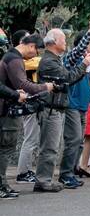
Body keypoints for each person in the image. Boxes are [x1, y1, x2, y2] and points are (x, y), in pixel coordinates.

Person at [35, 22, 90, 192]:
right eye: (63, 39)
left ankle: (49, 178)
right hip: (52, 108)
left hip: (58, 108)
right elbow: (67, 78)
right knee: (50, 147)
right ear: (53, 42)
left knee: (56, 145)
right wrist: (83, 64)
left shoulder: (56, 60)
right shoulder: (49, 62)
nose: (65, 42)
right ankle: (44, 180)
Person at [0, 33, 53, 199]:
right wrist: (44, 87)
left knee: (5, 148)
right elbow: (22, 83)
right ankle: (1, 185)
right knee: (5, 148)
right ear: (31, 46)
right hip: (6, 111)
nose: (36, 55)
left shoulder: (9, 57)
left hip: (6, 108)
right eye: (36, 50)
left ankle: (3, 185)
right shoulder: (14, 59)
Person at [59, 31, 90, 189]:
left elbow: (88, 83)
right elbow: (78, 50)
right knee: (74, 139)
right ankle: (65, 174)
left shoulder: (87, 62)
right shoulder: (73, 58)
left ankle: (72, 169)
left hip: (83, 105)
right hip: (72, 105)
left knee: (79, 142)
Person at [14, 30, 43, 184]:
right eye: (28, 41)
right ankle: (22, 172)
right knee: (30, 139)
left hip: (33, 103)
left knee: (32, 139)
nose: (32, 47)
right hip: (28, 104)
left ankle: (26, 170)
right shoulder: (24, 62)